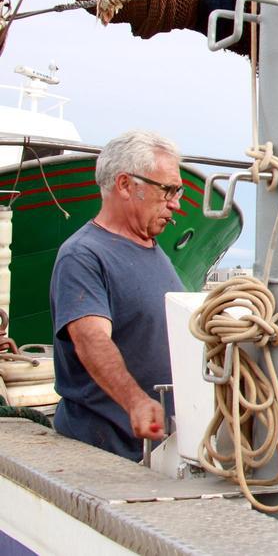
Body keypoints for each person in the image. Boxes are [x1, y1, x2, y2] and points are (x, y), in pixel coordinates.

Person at [50, 130, 184, 461]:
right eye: (167, 190)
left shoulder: (153, 249)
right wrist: (135, 402)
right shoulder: (83, 255)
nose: (175, 203)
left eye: (177, 191)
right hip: (104, 454)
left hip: (156, 451)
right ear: (125, 185)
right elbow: (91, 340)